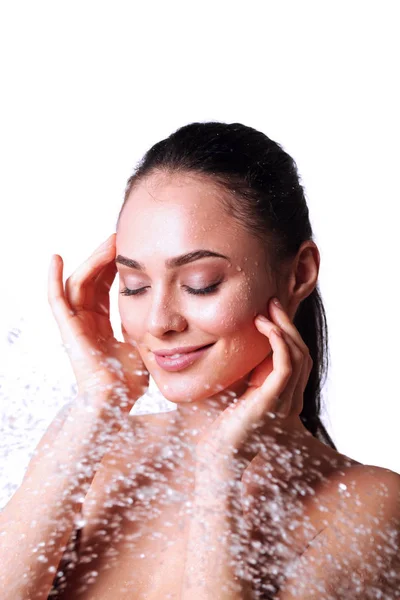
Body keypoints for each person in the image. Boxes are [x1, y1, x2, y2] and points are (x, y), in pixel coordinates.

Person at [1, 122, 399, 599]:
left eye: (201, 283)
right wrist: (98, 401)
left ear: (299, 273)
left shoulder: (368, 505)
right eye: (134, 286)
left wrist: (222, 471)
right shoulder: (94, 453)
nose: (159, 320)